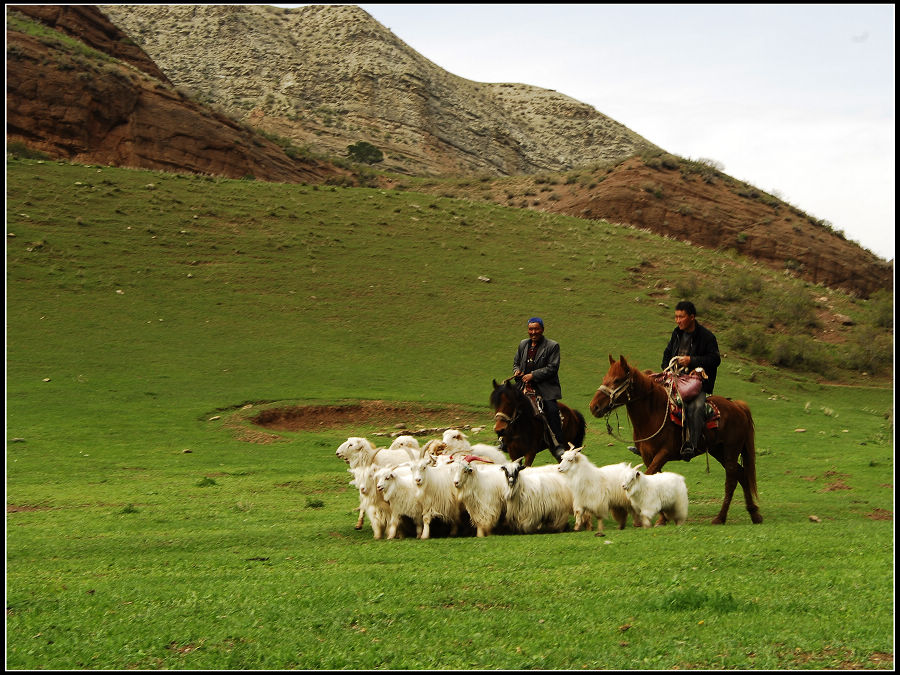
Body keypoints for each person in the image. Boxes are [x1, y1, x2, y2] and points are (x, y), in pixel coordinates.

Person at [661, 301, 721, 461]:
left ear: (692, 317)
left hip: (697, 384)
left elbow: (715, 359)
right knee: (654, 400)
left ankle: (691, 445)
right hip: (675, 379)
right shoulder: (677, 333)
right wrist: (667, 368)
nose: (678, 320)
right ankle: (650, 443)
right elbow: (667, 354)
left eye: (681, 317)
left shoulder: (707, 337)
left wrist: (692, 361)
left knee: (696, 406)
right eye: (676, 317)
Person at [513, 317, 568, 460]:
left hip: (545, 387)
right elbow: (516, 363)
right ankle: (504, 440)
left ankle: (558, 445)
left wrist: (533, 375)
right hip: (523, 385)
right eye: (531, 329)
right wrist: (517, 371)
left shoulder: (552, 346)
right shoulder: (523, 344)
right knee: (506, 404)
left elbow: (552, 368)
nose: (533, 332)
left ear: (542, 329)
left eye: (536, 329)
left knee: (552, 410)